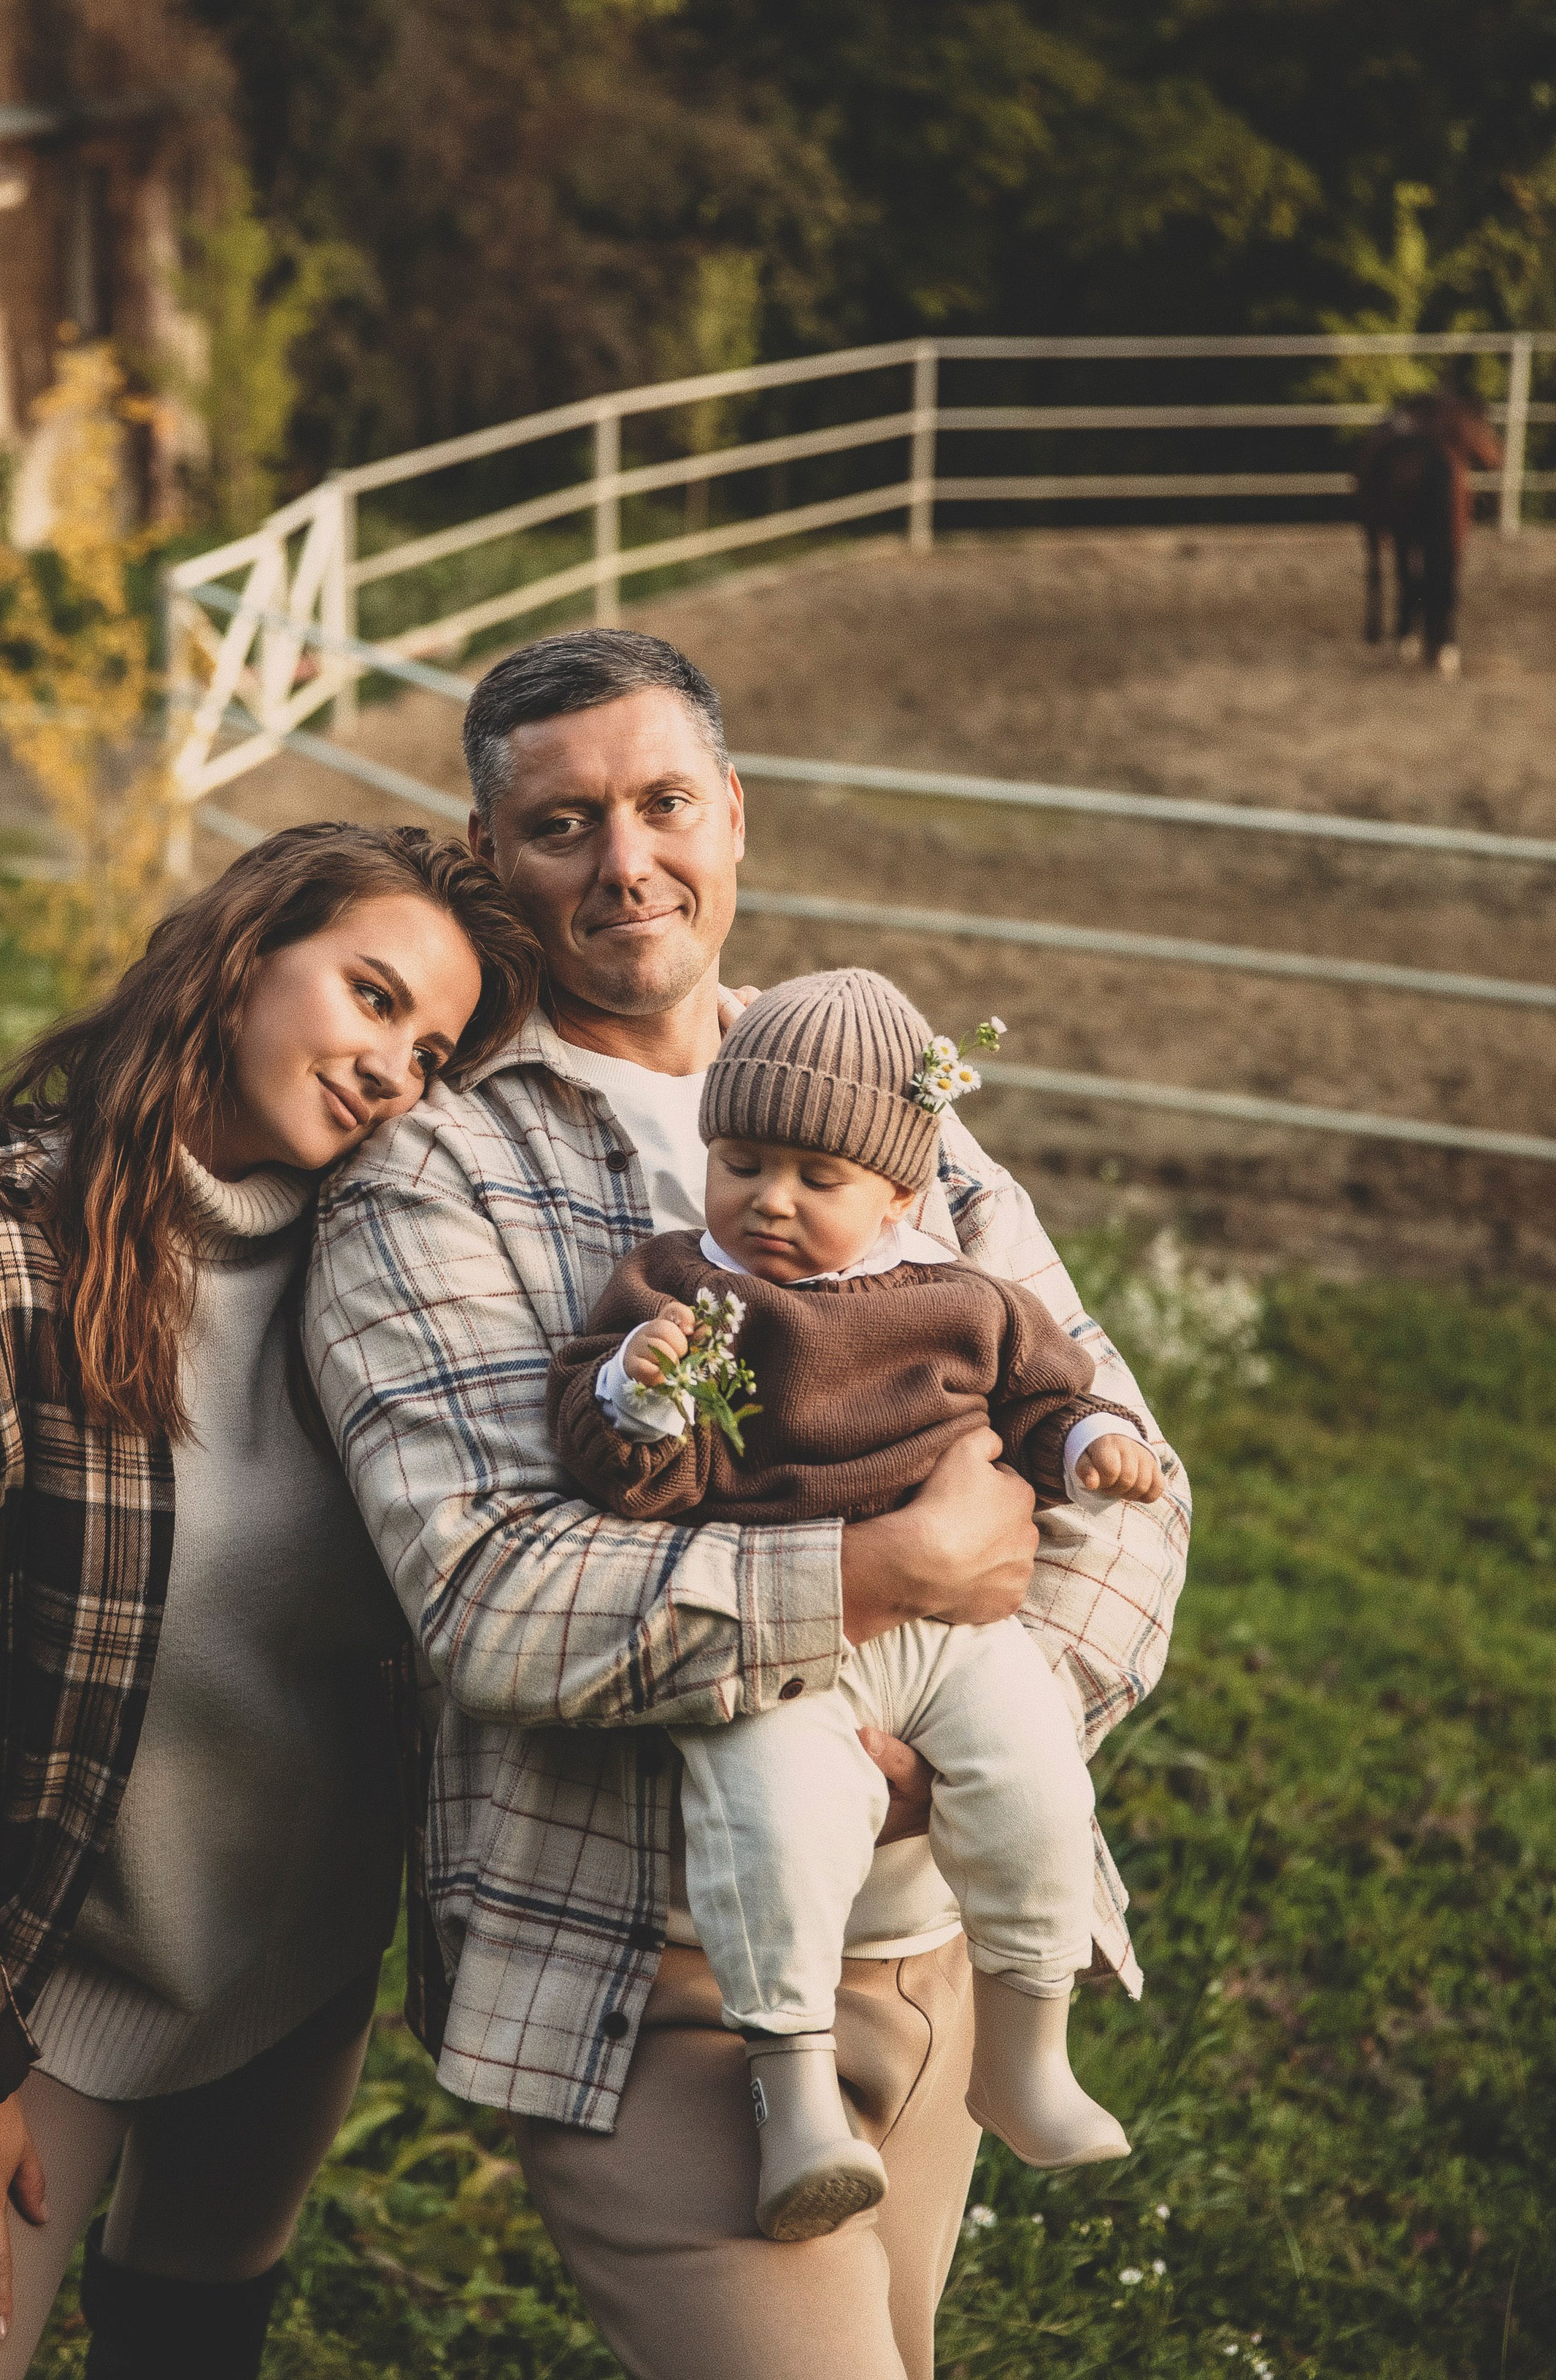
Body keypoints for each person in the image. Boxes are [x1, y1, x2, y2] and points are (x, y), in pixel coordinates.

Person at [311, 628, 1191, 2380]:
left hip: (947, 1925)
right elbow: (491, 1592)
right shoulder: (439, 1172)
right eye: (560, 827)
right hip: (653, 1969)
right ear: (491, 862)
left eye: (660, 804)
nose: (624, 861)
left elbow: (1123, 1477)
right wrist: (884, 1574)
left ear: (735, 816)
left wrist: (942, 1759)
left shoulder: (888, 1104)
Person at [0, 824, 539, 2379]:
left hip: (296, 1973)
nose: (394, 1068)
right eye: (371, 996)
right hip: (38, 1990)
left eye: (431, 1048)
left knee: (188, 2347)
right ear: (243, 954)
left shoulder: (388, 1275)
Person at [549, 965, 1166, 2244]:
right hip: (787, 1635)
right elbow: (611, 1467)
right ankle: (795, 2098)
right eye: (743, 1159)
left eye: (815, 1177)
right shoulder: (676, 1291)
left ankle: (1026, 2047)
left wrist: (1090, 1438)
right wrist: (639, 1392)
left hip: (954, 1632)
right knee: (778, 1821)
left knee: (1037, 1778)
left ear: (896, 1189)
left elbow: (1049, 1394)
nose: (769, 1200)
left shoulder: (961, 1294)